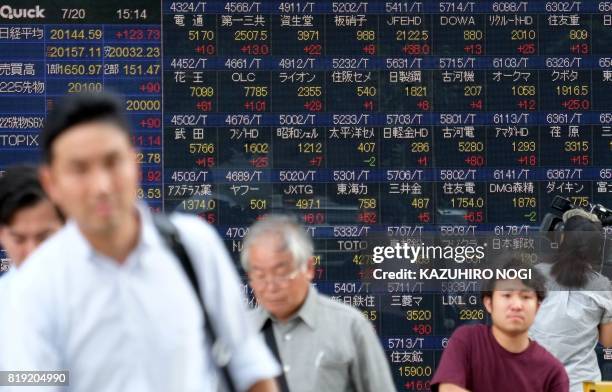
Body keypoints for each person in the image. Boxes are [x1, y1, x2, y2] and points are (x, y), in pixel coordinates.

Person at [2, 92, 280, 392]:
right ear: (51, 183)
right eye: (80, 169)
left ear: (135, 163)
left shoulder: (192, 247)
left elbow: (248, 366)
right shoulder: (31, 290)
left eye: (112, 162)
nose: (101, 186)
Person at [242, 214, 396, 392]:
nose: (271, 286)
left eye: (281, 273)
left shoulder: (350, 326)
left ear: (308, 268)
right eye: (260, 275)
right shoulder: (237, 332)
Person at [430, 256, 569, 392]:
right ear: (489, 303)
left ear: (537, 308)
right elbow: (448, 388)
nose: (516, 305)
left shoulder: (553, 371)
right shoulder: (466, 341)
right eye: (507, 295)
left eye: (525, 297)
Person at [530, 212, 612, 392]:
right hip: (584, 385)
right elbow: (608, 340)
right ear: (597, 249)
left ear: (562, 240)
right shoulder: (602, 286)